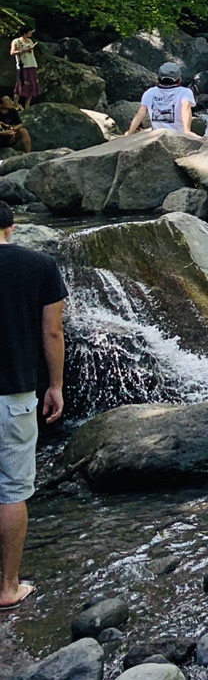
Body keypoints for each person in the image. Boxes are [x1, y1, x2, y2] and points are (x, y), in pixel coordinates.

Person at [0, 200, 66, 612]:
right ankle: (7, 588)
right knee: (10, 492)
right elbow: (53, 332)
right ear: (12, 226)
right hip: (15, 394)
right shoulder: (39, 265)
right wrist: (55, 385)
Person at [126, 62, 197, 135]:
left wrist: (130, 132)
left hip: (157, 133)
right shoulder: (185, 92)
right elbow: (186, 109)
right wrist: (187, 131)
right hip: (178, 133)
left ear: (158, 78)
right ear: (179, 80)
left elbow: (140, 114)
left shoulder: (150, 92)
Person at [8, 29, 38, 109]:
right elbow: (12, 52)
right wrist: (25, 50)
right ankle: (15, 104)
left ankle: (27, 105)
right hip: (22, 66)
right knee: (20, 84)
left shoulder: (30, 40)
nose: (31, 33)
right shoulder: (16, 41)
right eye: (30, 31)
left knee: (32, 84)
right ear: (25, 32)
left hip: (31, 64)